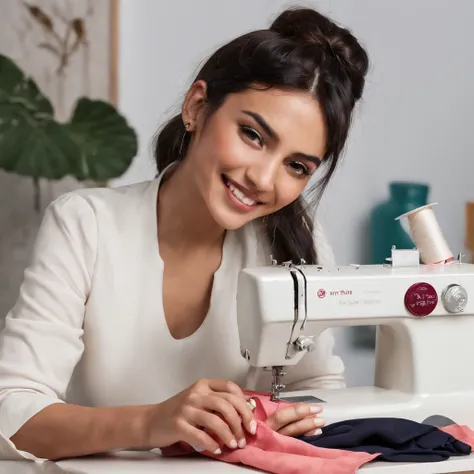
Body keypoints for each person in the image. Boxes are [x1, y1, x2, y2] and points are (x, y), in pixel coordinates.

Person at [0, 6, 369, 462]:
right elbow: (12, 411)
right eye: (253, 135)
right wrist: (153, 422)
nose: (264, 178)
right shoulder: (85, 226)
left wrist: (292, 417)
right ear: (197, 107)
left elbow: (316, 390)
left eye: (296, 166)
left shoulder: (297, 243)